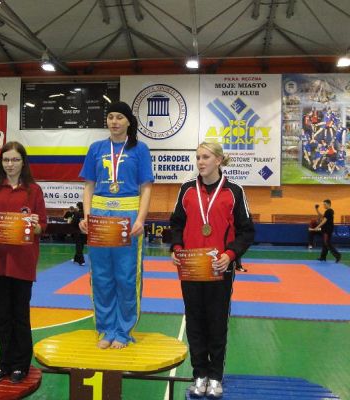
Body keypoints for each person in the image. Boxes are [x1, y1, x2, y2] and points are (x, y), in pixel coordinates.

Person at [170, 141, 254, 398]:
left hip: (220, 269)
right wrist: (176, 248)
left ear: (218, 160)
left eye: (205, 157)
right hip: (192, 268)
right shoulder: (186, 190)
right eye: (198, 157)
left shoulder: (234, 192)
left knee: (217, 325)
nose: (200, 162)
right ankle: (200, 375)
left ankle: (215, 377)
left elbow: (246, 231)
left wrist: (230, 255)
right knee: (195, 323)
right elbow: (176, 224)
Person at [78, 101, 153, 349]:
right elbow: (88, 185)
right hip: (100, 216)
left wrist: (140, 219)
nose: (114, 122)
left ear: (129, 121)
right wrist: (87, 216)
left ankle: (123, 330)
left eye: (119, 117)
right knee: (101, 277)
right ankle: (106, 328)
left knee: (126, 276)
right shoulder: (96, 148)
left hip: (128, 217)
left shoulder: (140, 149)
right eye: (110, 117)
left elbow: (146, 187)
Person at [0, 141, 47, 383]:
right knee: (3, 316)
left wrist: (34, 225)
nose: (10, 164)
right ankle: (3, 363)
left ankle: (21, 365)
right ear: (0, 162)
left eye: (15, 159)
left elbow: (42, 226)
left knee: (20, 315)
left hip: (22, 262)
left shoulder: (34, 191)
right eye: (6, 160)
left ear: (23, 162)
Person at [71, 201, 86, 265]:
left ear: (78, 207)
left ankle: (81, 261)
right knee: (81, 245)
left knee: (78, 246)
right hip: (85, 231)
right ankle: (76, 259)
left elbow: (74, 222)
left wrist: (71, 221)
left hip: (78, 231)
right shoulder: (86, 213)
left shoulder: (77, 213)